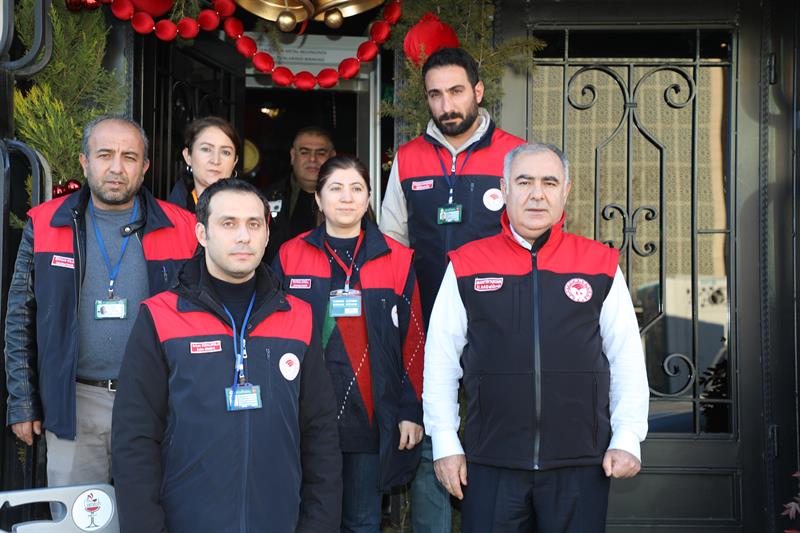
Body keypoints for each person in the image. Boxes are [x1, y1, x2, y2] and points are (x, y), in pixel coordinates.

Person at [423, 143, 650, 532]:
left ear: (566, 191)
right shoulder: (467, 264)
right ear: (504, 189)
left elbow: (625, 356)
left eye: (549, 182)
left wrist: (628, 435)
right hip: (490, 462)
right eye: (524, 181)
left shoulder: (599, 263)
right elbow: (441, 359)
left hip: (581, 463)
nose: (537, 194)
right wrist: (444, 441)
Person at [112, 179, 342, 533]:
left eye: (254, 224)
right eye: (228, 223)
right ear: (202, 233)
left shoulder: (298, 317)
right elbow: (135, 438)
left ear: (267, 234)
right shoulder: (160, 316)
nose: (243, 236)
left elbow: (320, 434)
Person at [4, 116, 198, 496]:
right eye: (105, 154)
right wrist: (22, 401)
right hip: (75, 402)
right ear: (85, 161)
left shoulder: (185, 229)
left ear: (145, 166)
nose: (116, 167)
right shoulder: (46, 224)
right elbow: (20, 316)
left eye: (129, 157)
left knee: (149, 514)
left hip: (156, 402)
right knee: (78, 516)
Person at [379, 46, 525, 532]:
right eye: (436, 95)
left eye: (457, 91)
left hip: (496, 323)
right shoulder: (408, 158)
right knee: (431, 440)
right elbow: (392, 243)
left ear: (478, 91)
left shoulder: (515, 155)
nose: (447, 105)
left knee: (495, 434)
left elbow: (533, 238)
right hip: (426, 325)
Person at [273, 156, 424, 533]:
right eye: (335, 189)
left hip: (369, 420)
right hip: (306, 417)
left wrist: (410, 409)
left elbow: (415, 340)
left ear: (369, 197)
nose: (346, 197)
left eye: (356, 188)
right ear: (318, 199)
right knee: (309, 520)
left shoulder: (397, 258)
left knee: (362, 522)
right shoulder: (290, 255)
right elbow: (271, 336)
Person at [265, 126, 336, 263]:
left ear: (332, 157)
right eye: (304, 152)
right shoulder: (267, 198)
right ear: (293, 156)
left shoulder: (347, 201)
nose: (312, 159)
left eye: (321, 153)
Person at [167, 116, 241, 212]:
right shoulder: (168, 215)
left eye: (225, 152)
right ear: (188, 156)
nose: (215, 161)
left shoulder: (252, 210)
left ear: (235, 161)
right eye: (206, 149)